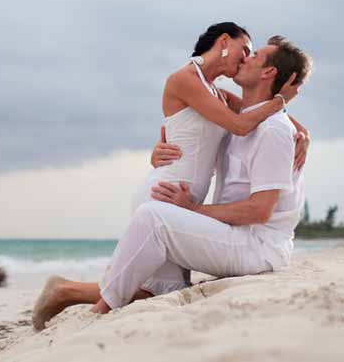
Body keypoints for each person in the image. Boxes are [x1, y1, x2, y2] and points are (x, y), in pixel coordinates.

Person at [32, 35, 311, 329]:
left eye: (254, 56)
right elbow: (203, 131)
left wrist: (191, 208)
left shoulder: (273, 132)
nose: (245, 58)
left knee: (153, 218)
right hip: (233, 235)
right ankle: (66, 291)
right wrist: (160, 150)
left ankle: (98, 312)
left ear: (269, 73)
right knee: (163, 287)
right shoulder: (241, 121)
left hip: (259, 248)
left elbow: (260, 211)